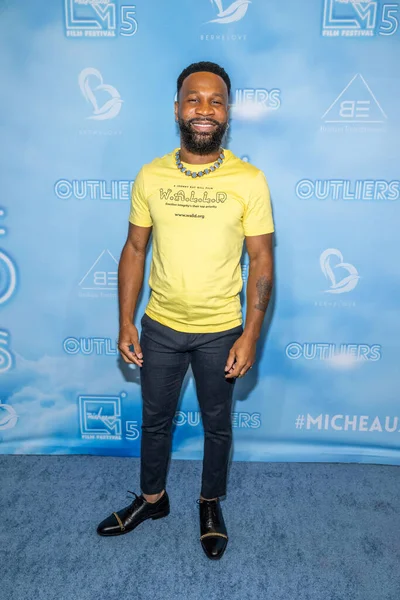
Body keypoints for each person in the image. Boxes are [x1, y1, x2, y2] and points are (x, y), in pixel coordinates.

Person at [97, 61, 274, 560]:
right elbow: (134, 249)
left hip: (223, 329)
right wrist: (125, 321)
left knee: (218, 424)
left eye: (215, 101)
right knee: (155, 420)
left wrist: (251, 334)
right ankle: (153, 500)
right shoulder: (151, 175)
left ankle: (209, 501)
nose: (204, 109)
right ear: (177, 109)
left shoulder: (250, 180)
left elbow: (261, 259)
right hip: (161, 327)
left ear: (227, 113)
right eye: (194, 99)